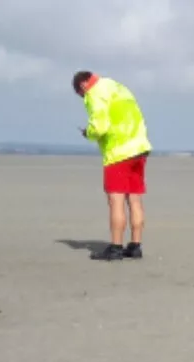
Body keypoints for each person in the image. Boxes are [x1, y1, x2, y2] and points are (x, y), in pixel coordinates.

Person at [73, 70, 152, 261]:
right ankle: (135, 246)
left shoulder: (95, 93)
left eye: (81, 95)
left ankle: (116, 247)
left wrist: (88, 133)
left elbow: (100, 125)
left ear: (83, 86)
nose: (83, 98)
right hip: (139, 147)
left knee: (115, 200)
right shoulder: (117, 87)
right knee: (134, 199)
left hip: (118, 151)